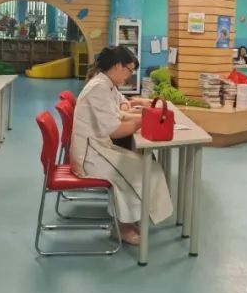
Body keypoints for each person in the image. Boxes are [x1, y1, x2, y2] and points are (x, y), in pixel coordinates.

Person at [70, 46, 173, 245]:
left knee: (145, 166)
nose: (130, 75)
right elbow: (115, 130)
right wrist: (144, 121)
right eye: (129, 70)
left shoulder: (106, 84)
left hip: (98, 148)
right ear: (118, 66)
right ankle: (122, 227)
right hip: (90, 156)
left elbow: (120, 107)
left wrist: (137, 115)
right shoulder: (99, 87)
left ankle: (128, 221)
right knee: (142, 170)